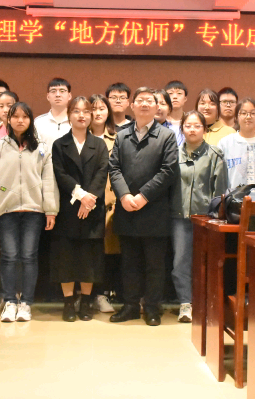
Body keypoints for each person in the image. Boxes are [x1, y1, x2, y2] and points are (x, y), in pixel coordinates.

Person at [0, 102, 59, 323]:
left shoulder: (41, 147)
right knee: (9, 256)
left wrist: (51, 210)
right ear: (9, 120)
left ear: (30, 120)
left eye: (25, 116)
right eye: (15, 116)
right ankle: (10, 302)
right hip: (6, 210)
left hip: (34, 210)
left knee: (29, 256)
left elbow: (48, 180)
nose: (20, 120)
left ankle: (26, 303)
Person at [108, 87, 178, 326]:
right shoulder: (121, 135)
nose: (145, 104)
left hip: (155, 210)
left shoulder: (167, 136)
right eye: (140, 100)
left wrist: (144, 196)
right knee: (129, 263)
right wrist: (124, 195)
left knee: (154, 265)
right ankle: (129, 306)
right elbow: (114, 168)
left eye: (150, 100)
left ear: (157, 106)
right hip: (127, 208)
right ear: (133, 105)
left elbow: (168, 170)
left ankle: (152, 308)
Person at [51, 97, 109, 322]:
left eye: (86, 111)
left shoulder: (99, 144)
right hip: (68, 209)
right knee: (66, 258)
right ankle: (68, 303)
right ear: (69, 115)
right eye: (76, 111)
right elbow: (60, 173)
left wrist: (89, 199)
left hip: (92, 210)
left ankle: (86, 302)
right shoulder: (60, 144)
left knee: (89, 259)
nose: (81, 115)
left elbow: (102, 172)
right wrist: (80, 195)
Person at [171, 110, 227, 322]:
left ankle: (207, 302)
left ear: (204, 129)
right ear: (182, 129)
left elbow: (220, 191)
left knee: (207, 261)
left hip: (206, 219)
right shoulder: (173, 154)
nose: (192, 129)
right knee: (180, 262)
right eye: (188, 126)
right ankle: (186, 303)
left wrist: (215, 217)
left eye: (197, 126)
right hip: (179, 217)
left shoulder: (215, 154)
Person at [89, 94, 119, 313]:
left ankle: (102, 294)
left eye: (102, 108)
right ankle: (85, 296)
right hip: (86, 202)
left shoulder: (118, 138)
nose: (97, 113)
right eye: (93, 109)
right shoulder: (80, 137)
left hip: (111, 203)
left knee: (108, 253)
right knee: (88, 251)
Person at [217, 98, 255, 198]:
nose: (248, 117)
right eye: (243, 113)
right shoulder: (224, 144)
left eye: (253, 113)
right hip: (232, 201)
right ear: (236, 117)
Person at [34, 78, 72, 146]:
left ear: (69, 96)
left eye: (62, 91)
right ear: (48, 96)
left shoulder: (75, 121)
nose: (58, 95)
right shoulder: (38, 122)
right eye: (53, 91)